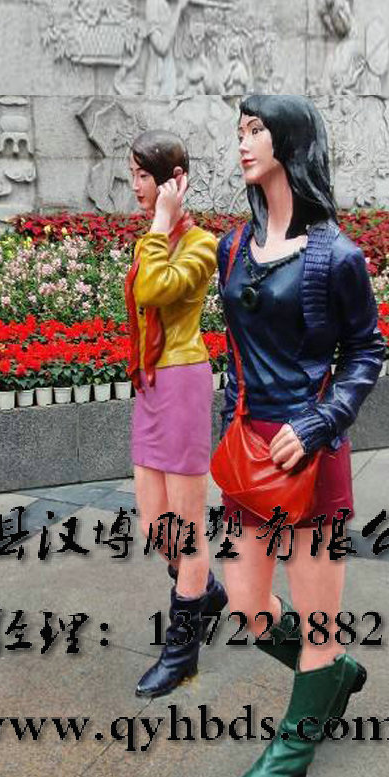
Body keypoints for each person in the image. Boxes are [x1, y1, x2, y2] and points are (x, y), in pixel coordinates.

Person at [217, 94, 384, 777]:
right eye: (240, 130)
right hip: (246, 452)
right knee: (247, 607)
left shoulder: (337, 256)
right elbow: (237, 347)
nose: (244, 142)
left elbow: (367, 350)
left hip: (311, 456)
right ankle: (332, 674)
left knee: (317, 623)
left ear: (289, 142)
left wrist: (320, 421)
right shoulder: (233, 247)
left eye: (256, 130)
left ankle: (289, 757)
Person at [125, 129, 227, 698]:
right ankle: (204, 589)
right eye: (134, 175)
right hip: (149, 383)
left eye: (145, 176)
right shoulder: (158, 237)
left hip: (183, 381)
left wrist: (162, 222)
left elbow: (154, 291)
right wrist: (159, 227)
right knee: (154, 525)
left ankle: (182, 653)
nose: (136, 186)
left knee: (186, 530)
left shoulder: (201, 244)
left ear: (175, 180)